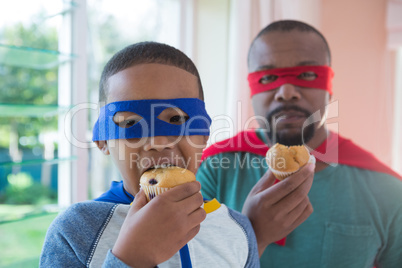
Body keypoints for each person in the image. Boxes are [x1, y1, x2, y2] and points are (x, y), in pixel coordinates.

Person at [197, 20, 402, 267]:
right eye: (269, 76)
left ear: (329, 87)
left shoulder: (389, 193)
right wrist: (253, 234)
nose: (286, 91)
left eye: (306, 75)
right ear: (252, 92)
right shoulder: (215, 170)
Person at [39, 42, 259, 267]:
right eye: (131, 123)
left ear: (203, 135)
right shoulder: (74, 231)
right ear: (103, 140)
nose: (158, 142)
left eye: (177, 120)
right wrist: (131, 259)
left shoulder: (237, 230)